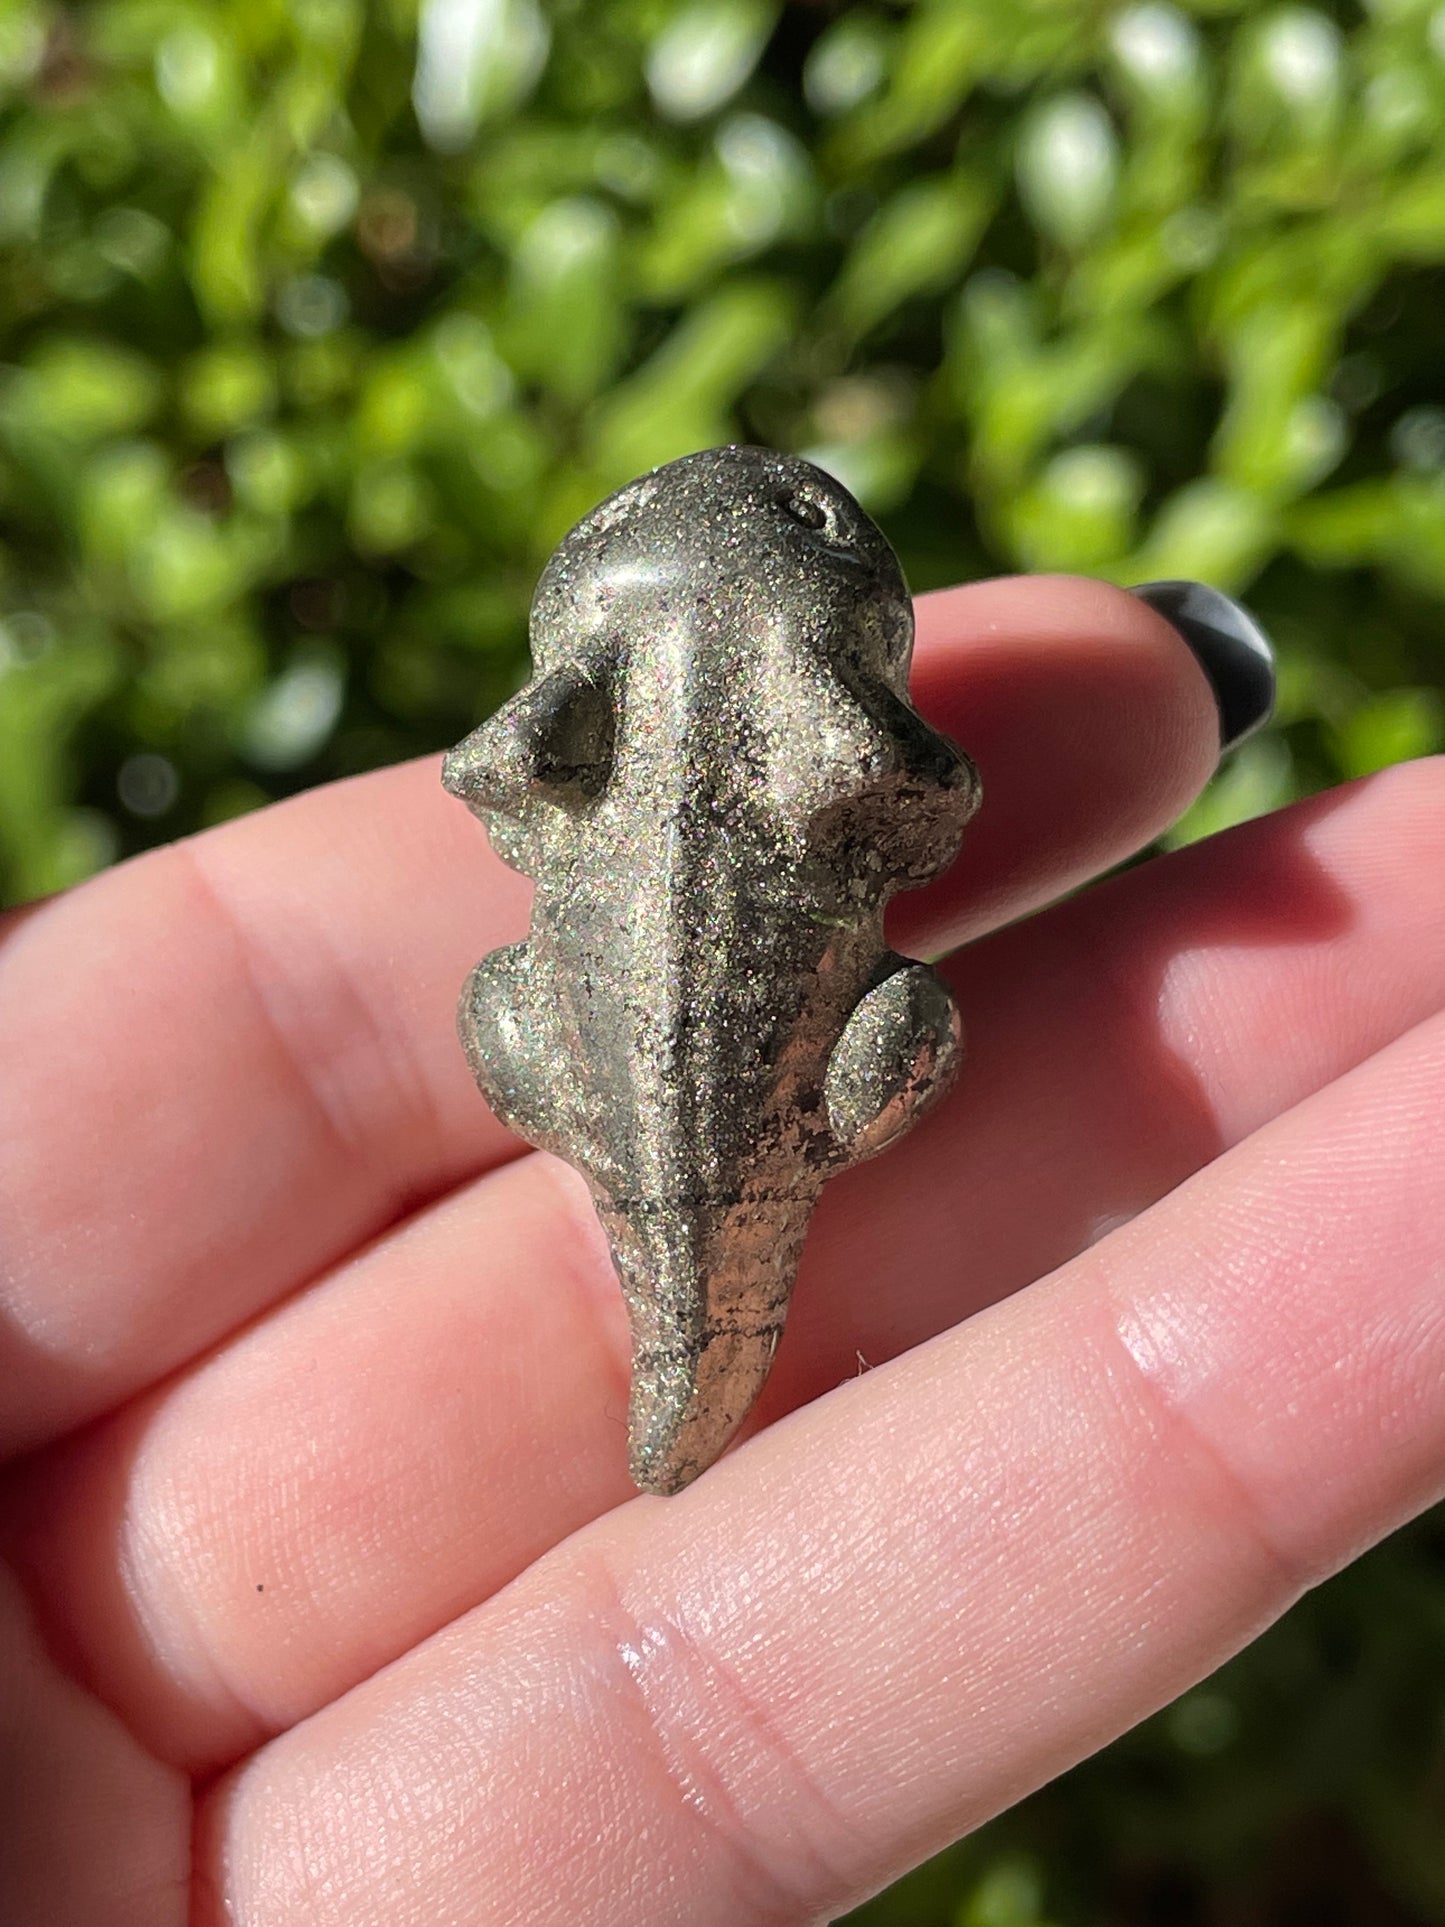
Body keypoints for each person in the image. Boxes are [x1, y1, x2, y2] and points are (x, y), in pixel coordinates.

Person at [1, 574, 1442, 1926]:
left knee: (516, 996)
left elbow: (489, 776)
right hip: (794, 1092)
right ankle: (700, 1357)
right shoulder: (821, 707)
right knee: (887, 1030)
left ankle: (689, 1369)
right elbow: (932, 800)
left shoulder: (603, 693)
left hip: (614, 1077)